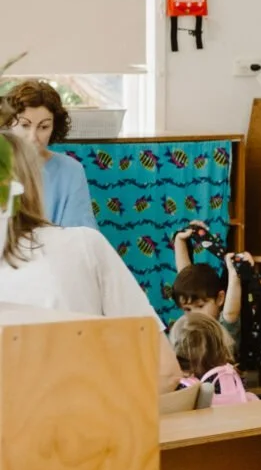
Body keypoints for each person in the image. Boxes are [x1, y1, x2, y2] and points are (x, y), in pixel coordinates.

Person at [0, 131, 178, 388]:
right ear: (34, 185)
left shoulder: (82, 245)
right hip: (91, 419)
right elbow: (165, 370)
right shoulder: (84, 245)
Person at [0, 80, 98, 231]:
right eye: (25, 125)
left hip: (56, 253)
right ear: (9, 124)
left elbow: (81, 237)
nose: (33, 137)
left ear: (54, 127)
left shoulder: (71, 170)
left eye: (44, 127)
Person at [170, 230, 246, 359]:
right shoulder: (189, 328)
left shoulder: (223, 327)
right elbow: (186, 281)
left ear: (220, 298)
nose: (194, 314)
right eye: (187, 309)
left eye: (200, 306)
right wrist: (180, 241)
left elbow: (231, 313)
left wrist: (235, 273)